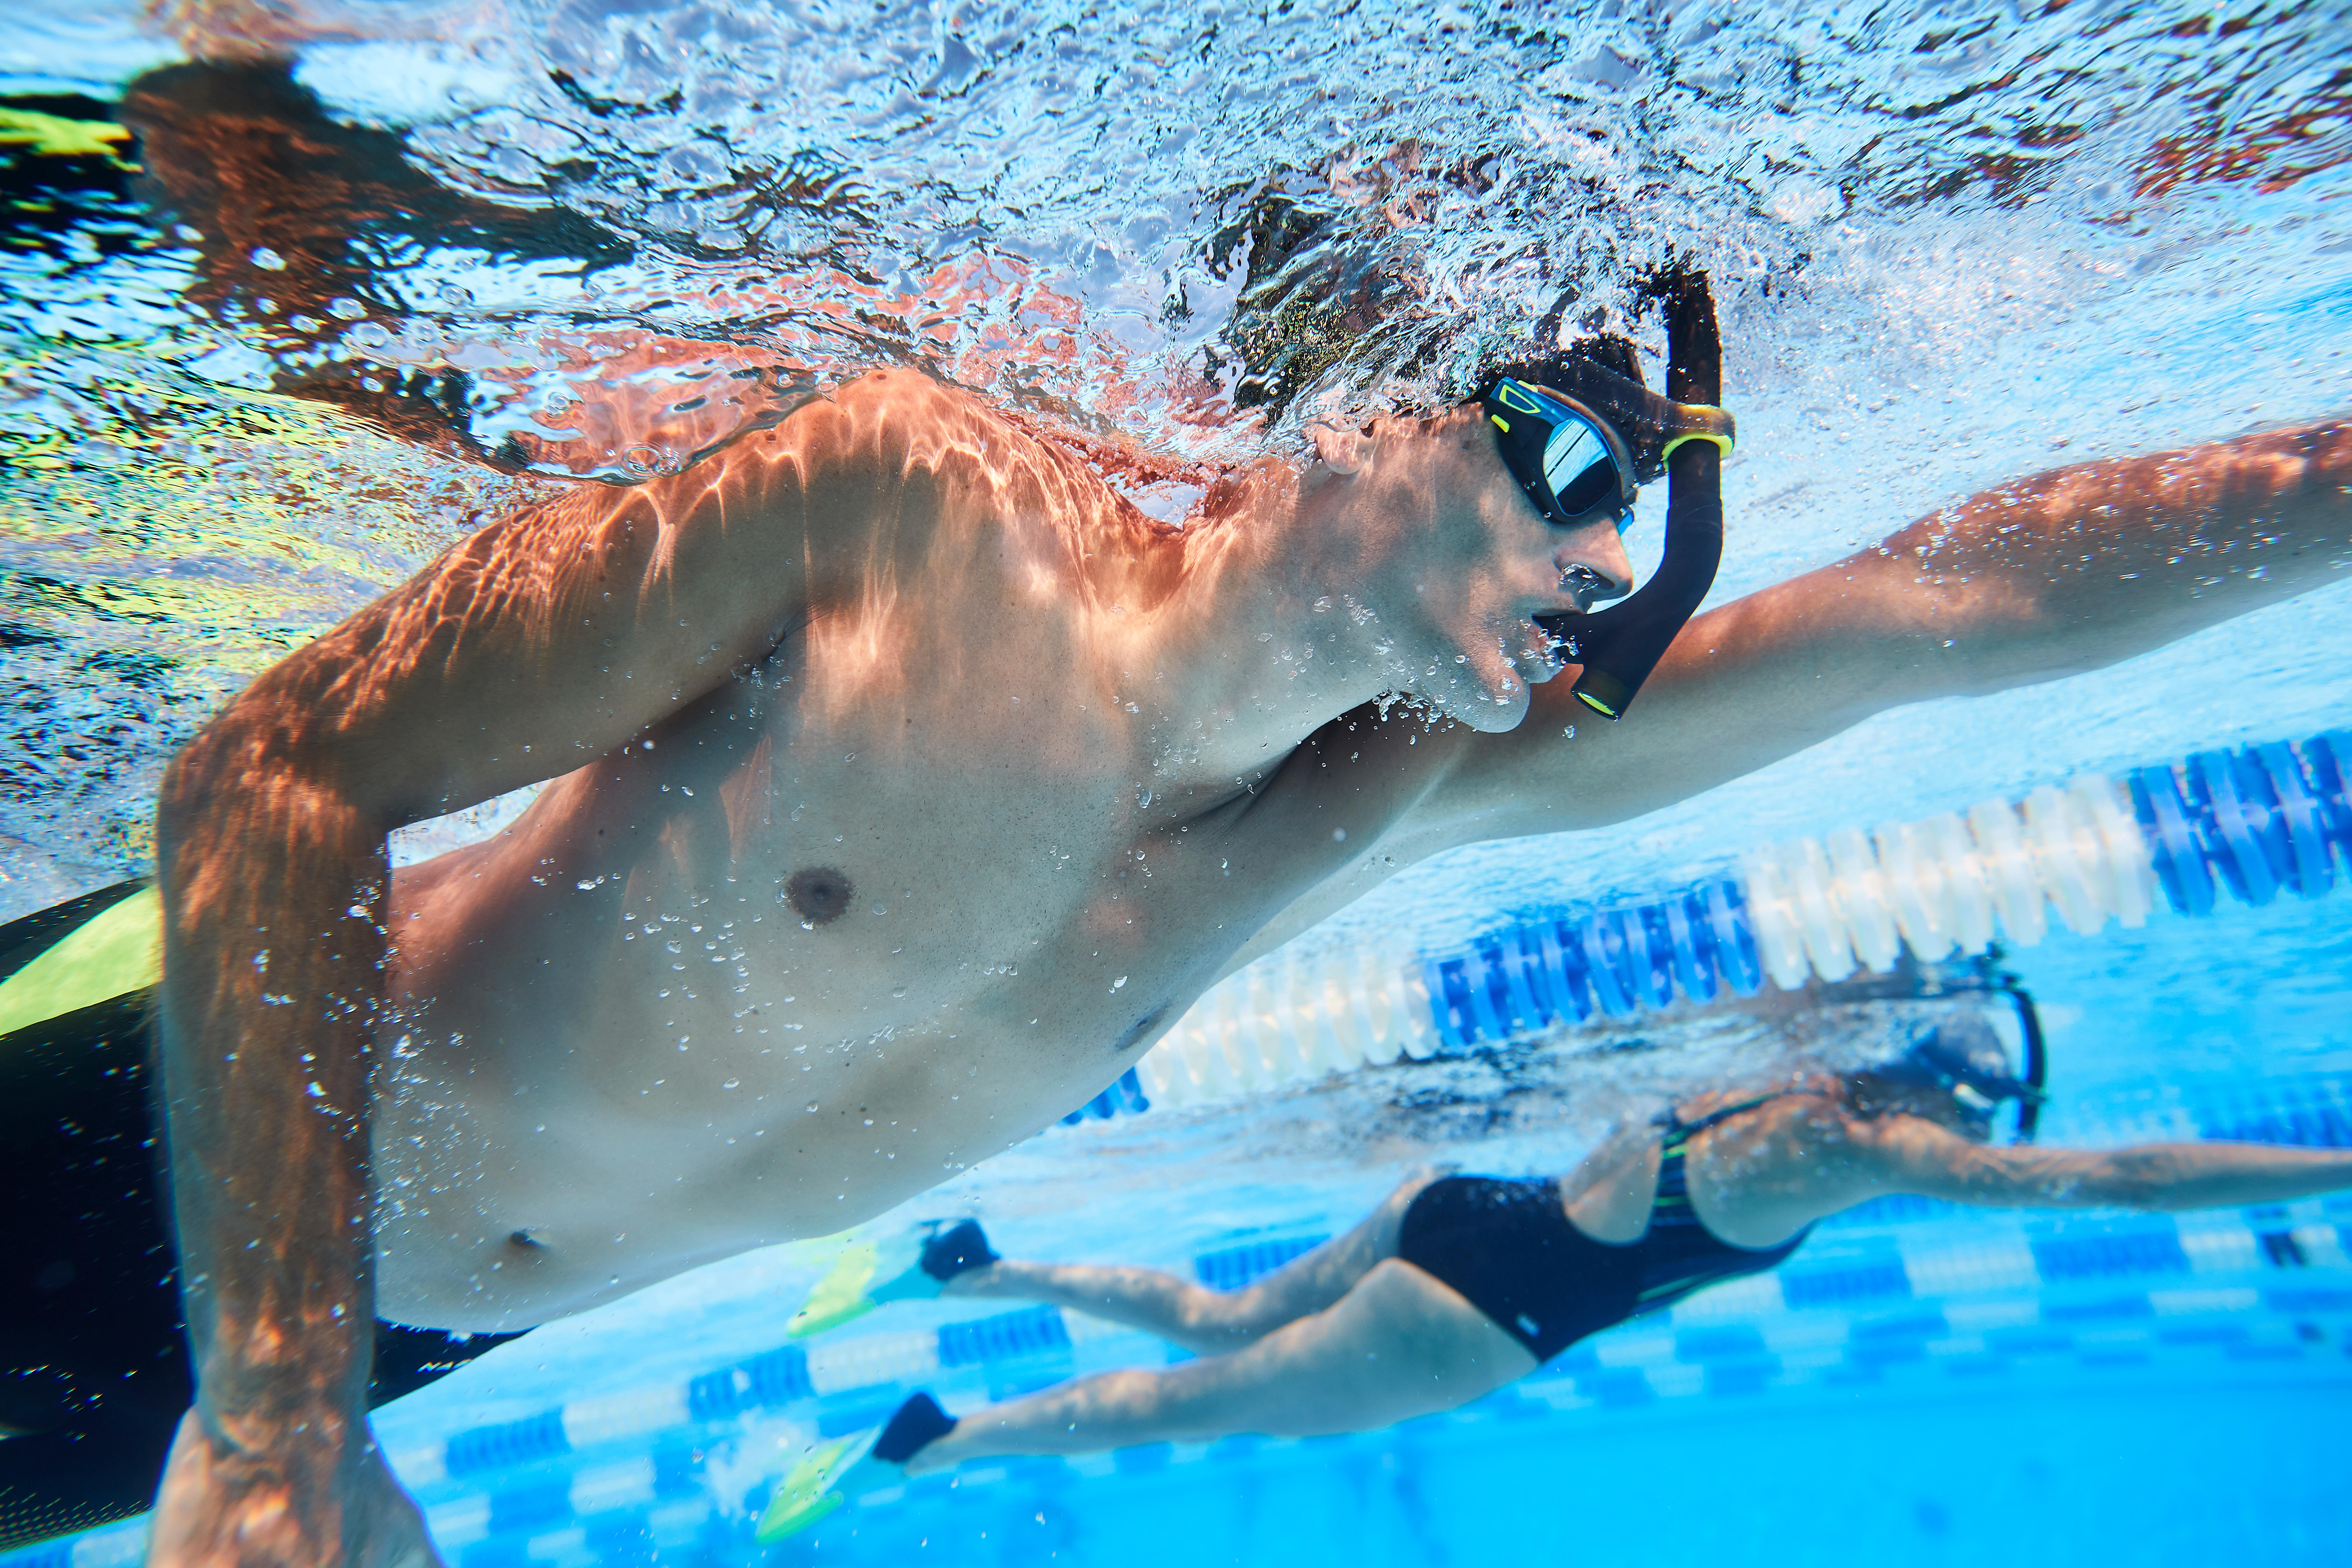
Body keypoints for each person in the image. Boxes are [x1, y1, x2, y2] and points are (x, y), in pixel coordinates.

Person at [17, 219, 2332, 1568]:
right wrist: (286, 1392)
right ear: (1367, 400)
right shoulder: (912, 514)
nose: (1599, 560)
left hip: (349, 1355)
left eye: (1636, 515)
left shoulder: (1394, 798)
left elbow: (1962, 607)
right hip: (180, 1123)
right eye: (1568, 460)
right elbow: (274, 769)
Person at [758, 1014, 2352, 1541]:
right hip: (1485, 1316)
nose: (1976, 1136)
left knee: (1225, 1313)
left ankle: (973, 1266)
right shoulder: (1865, 1152)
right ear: (1936, 1096)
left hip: (1457, 1209)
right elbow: (2126, 1180)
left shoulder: (1773, 1069)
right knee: (1187, 1403)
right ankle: (928, 1440)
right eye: (1977, 1112)